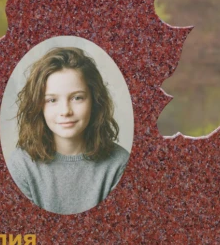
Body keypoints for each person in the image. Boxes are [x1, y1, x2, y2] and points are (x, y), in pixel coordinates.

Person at [8, 47, 129, 215]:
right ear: (38, 106)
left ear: (95, 101)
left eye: (77, 98)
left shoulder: (119, 164)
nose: (65, 111)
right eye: (52, 100)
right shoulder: (20, 165)